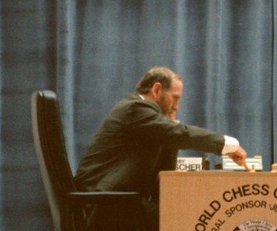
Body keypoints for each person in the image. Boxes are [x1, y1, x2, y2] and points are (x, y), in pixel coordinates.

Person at [74, 66, 247, 230]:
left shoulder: (147, 119)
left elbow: (169, 146)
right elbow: (179, 134)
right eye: (175, 98)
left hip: (115, 201)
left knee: (187, 213)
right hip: (104, 205)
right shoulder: (135, 109)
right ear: (157, 90)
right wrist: (227, 145)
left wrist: (171, 122)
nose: (176, 107)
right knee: (190, 217)